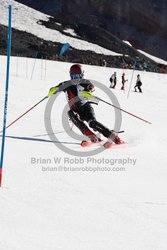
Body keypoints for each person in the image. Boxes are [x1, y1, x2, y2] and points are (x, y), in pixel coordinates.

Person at [47, 64, 123, 144]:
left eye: (77, 76)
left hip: (86, 108)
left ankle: (114, 137)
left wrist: (88, 91)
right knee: (71, 113)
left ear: (82, 75)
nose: (75, 79)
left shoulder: (85, 83)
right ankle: (93, 137)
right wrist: (53, 90)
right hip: (75, 110)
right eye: (73, 76)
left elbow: (92, 87)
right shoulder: (66, 84)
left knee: (92, 124)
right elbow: (54, 89)